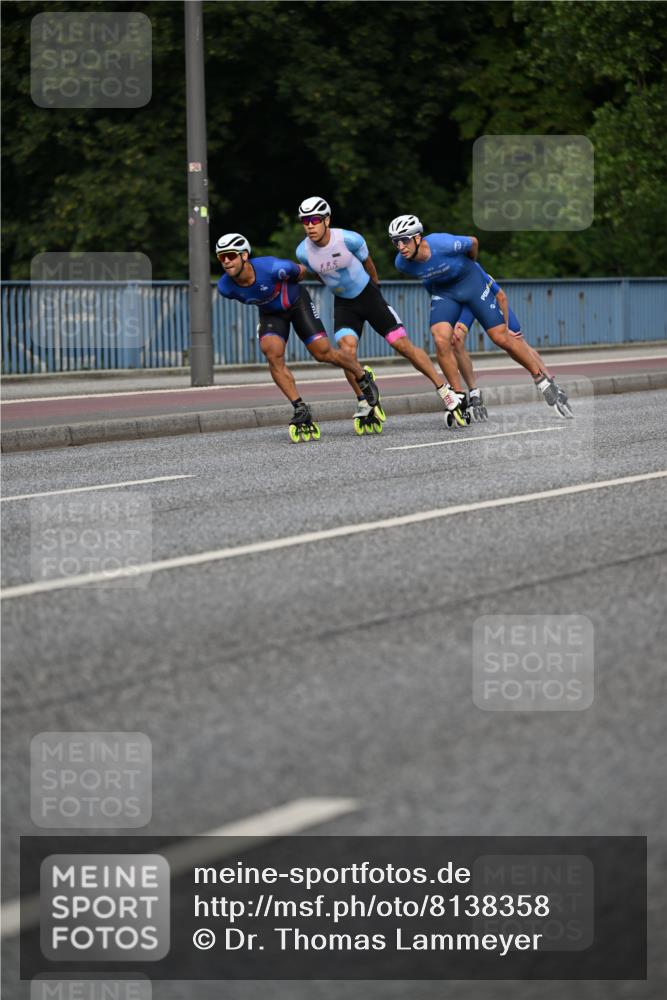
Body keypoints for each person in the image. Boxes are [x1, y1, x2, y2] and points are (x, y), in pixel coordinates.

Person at [295, 196, 466, 432]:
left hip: (369, 297)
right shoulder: (303, 252)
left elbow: (369, 265)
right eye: (305, 221)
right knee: (346, 353)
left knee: (403, 346)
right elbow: (318, 275)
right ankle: (365, 399)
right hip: (344, 304)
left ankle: (445, 391)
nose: (309, 225)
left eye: (314, 220)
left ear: (327, 220)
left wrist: (375, 290)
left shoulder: (349, 239)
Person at [389, 215, 573, 418]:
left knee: (500, 337)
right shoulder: (402, 264)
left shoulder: (443, 243)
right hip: (445, 292)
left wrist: (472, 265)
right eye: (395, 242)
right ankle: (459, 395)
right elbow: (427, 278)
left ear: (417, 238)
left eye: (404, 240)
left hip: (471, 282)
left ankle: (541, 379)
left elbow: (474, 242)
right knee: (441, 339)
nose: (400, 246)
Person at [215, 232, 382, 442]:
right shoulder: (225, 287)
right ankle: (300, 407)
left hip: (297, 304)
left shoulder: (274, 268)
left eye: (230, 255)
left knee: (323, 354)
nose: (226, 261)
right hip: (271, 314)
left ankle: (362, 376)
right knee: (271, 353)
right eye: (222, 257)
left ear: (244, 256)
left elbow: (302, 272)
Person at [453, 263, 546, 418]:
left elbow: (501, 296)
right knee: (455, 340)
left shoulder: (473, 268)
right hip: (465, 306)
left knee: (516, 338)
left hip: (484, 299)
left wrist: (506, 326)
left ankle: (548, 380)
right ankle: (474, 392)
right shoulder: (436, 272)